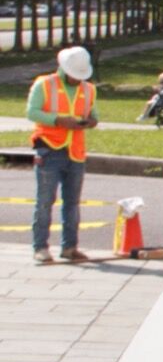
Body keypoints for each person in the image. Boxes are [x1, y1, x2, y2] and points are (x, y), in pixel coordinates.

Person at [26, 46, 99, 264]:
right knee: (45, 201)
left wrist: (91, 122)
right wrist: (58, 120)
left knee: (72, 202)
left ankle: (70, 246)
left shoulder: (89, 89)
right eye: (75, 76)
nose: (78, 80)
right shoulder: (45, 84)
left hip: (75, 150)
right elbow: (32, 112)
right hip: (49, 148)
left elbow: (94, 114)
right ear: (64, 70)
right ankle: (40, 247)